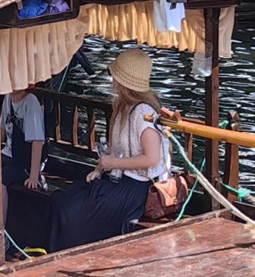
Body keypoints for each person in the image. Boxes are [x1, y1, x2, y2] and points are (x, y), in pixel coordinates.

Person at [47, 48, 169, 252]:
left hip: (136, 189)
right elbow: (113, 152)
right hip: (117, 180)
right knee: (62, 199)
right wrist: (99, 169)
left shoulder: (144, 112)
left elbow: (152, 158)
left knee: (71, 211)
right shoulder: (122, 107)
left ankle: (70, 257)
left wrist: (112, 163)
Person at [0, 87, 45, 225]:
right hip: (8, 153)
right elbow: (1, 130)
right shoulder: (7, 98)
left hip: (23, 159)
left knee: (0, 181)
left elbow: (37, 141)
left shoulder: (31, 102)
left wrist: (33, 175)